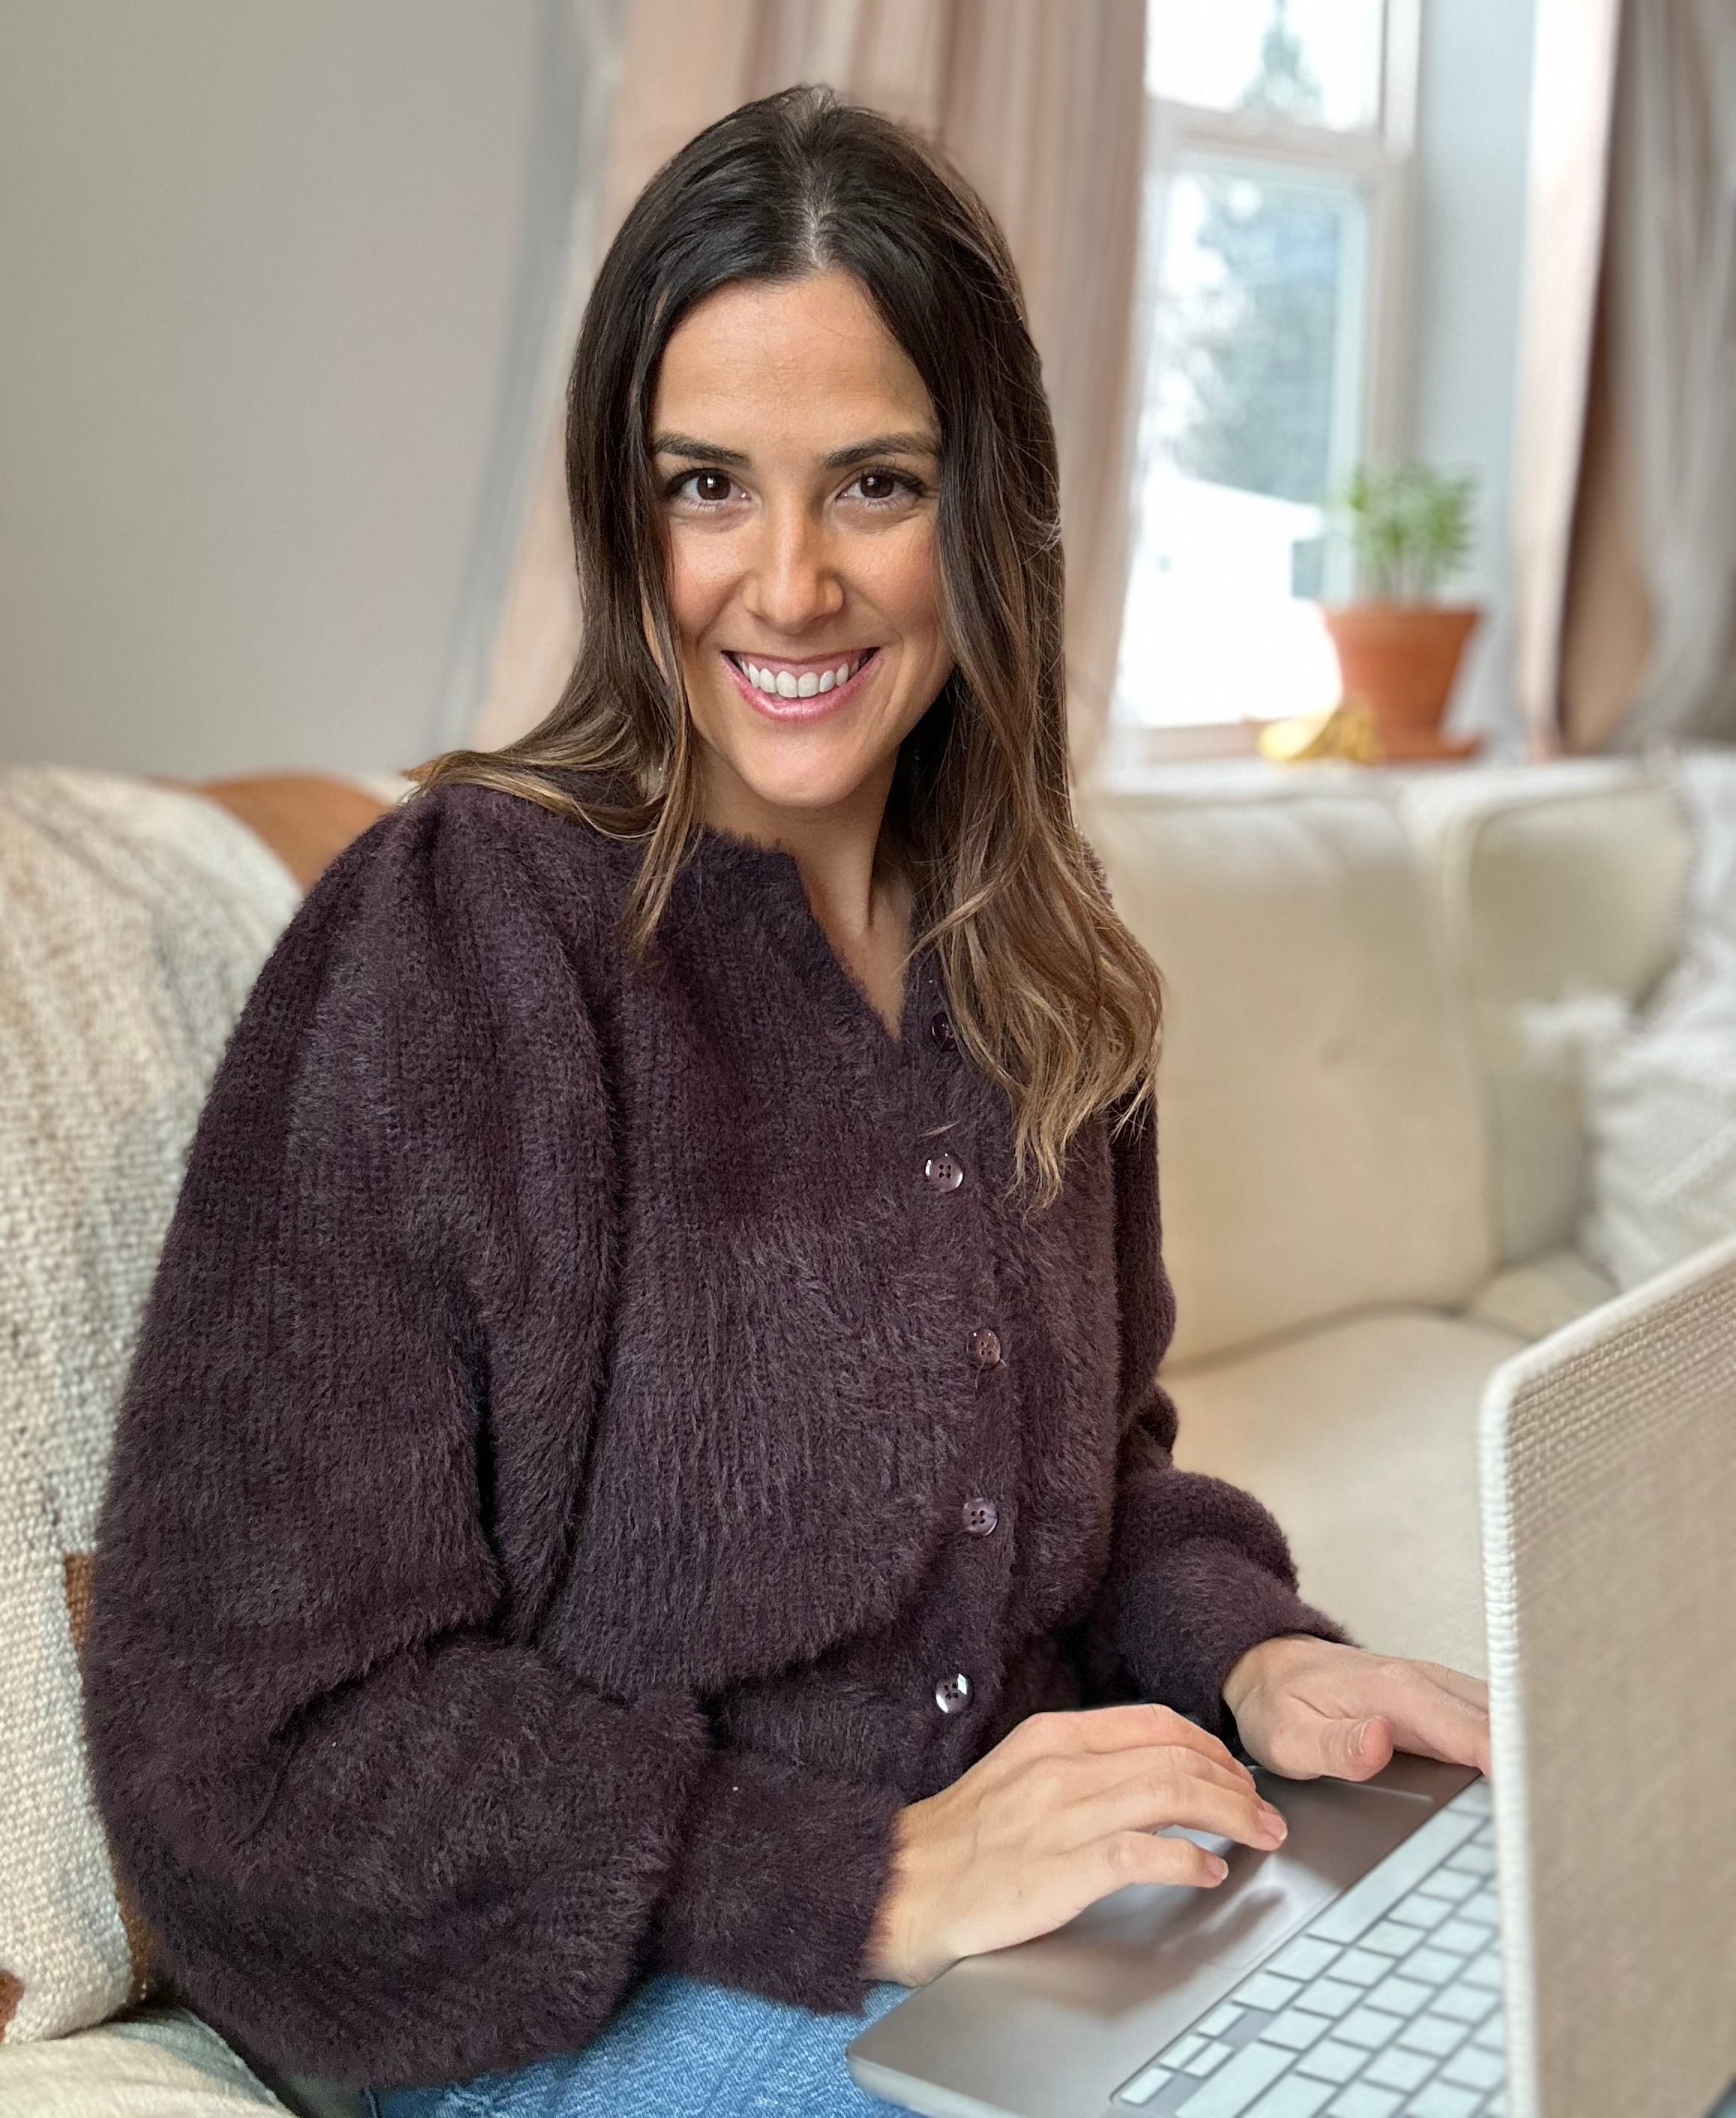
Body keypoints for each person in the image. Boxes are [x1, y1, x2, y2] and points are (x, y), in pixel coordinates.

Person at [85, 87, 1490, 2118]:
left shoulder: (1037, 953)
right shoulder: (462, 942)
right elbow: (259, 1734)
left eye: (876, 485)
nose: (791, 582)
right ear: (624, 511)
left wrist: (1259, 1655)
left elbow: (1101, 1492)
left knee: (1594, 1978)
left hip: (1011, 1924)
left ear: (985, 512)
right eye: (709, 487)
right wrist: (877, 1875)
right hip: (568, 1997)